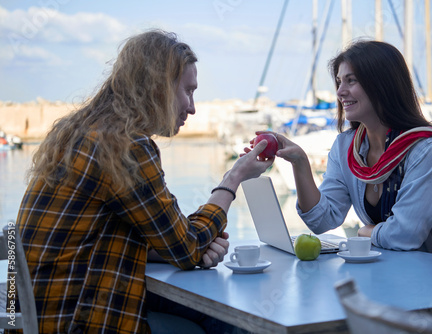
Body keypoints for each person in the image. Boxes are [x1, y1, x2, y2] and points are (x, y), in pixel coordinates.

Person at [16, 29, 273, 333]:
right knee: (233, 319)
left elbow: (122, 236)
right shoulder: (123, 146)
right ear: (157, 88)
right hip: (76, 319)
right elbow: (185, 245)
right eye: (188, 91)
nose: (192, 107)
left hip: (39, 313)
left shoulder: (80, 132)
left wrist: (185, 245)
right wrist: (234, 178)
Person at [253, 40, 432, 260]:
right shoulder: (346, 147)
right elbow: (322, 220)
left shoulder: (425, 149)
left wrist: (364, 231)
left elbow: (404, 236)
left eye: (351, 81)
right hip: (385, 272)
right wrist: (299, 162)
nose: (340, 92)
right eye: (339, 82)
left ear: (382, 85)